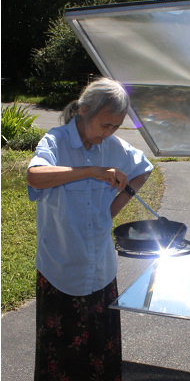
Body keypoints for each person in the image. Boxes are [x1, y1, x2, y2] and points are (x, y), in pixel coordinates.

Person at [27, 77, 153, 381]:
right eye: (104, 125)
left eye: (115, 127)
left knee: (99, 354)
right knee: (61, 357)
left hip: (100, 268)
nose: (108, 133)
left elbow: (143, 169)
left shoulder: (112, 146)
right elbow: (35, 176)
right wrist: (92, 171)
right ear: (84, 110)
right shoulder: (56, 141)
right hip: (61, 268)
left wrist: (111, 210)